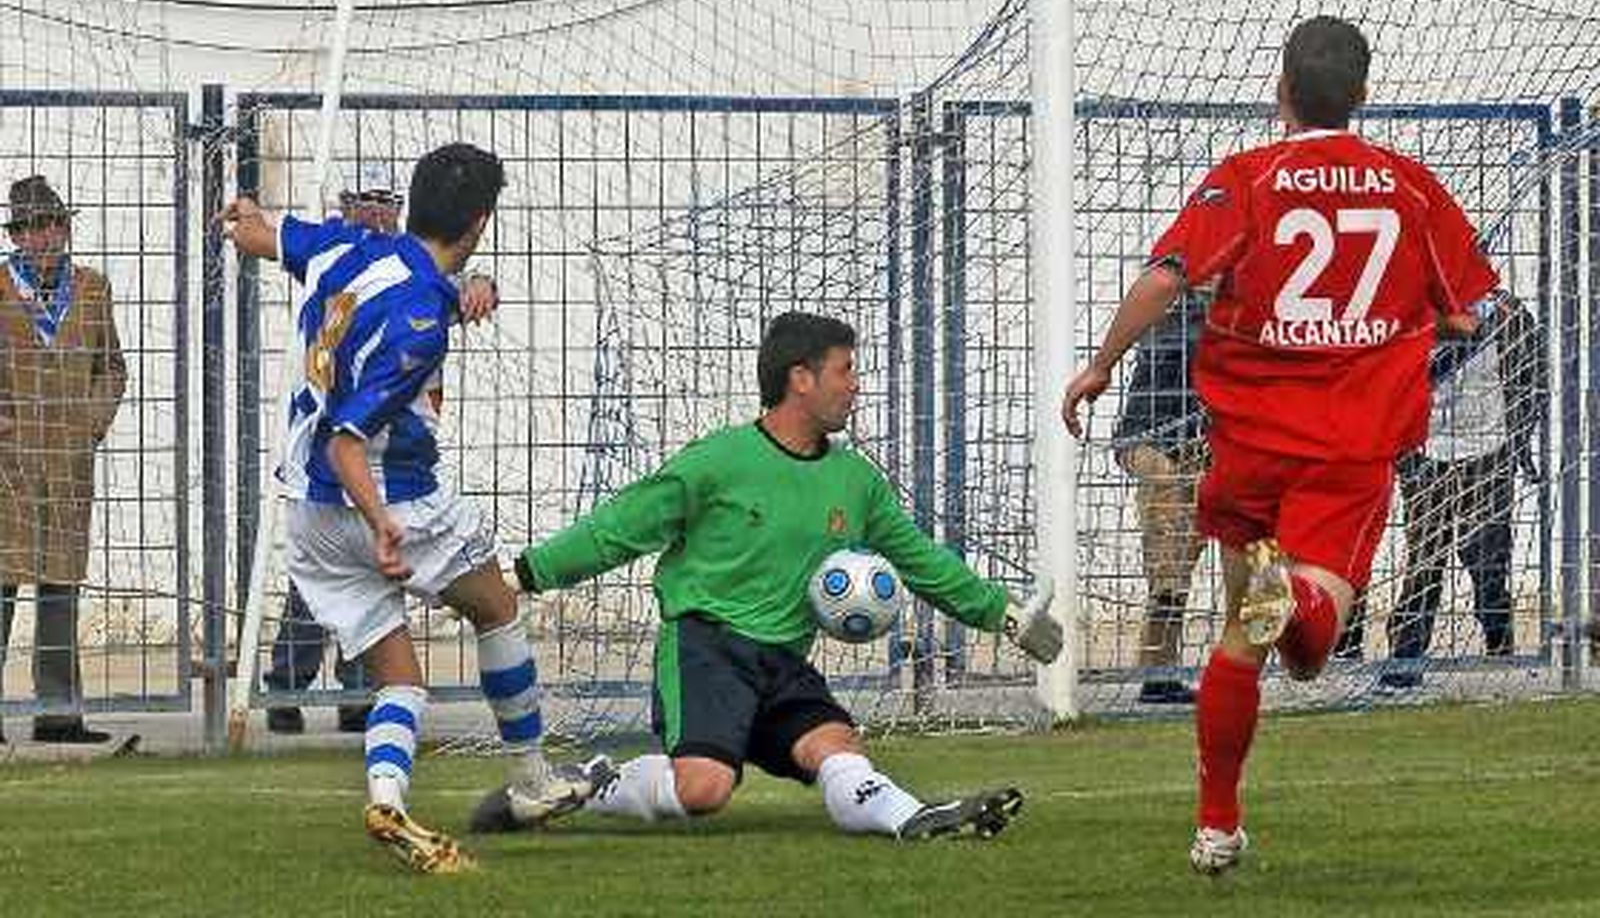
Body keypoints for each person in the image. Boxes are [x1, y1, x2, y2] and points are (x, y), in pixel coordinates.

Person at [1061, 17, 1499, 874]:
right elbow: (1464, 312)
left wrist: (1099, 367)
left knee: (1243, 637)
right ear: (1364, 95)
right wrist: (1403, 318)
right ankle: (1299, 595)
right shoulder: (1411, 188)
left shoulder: (1249, 179)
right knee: (1309, 642)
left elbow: (1165, 278)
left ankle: (1217, 825)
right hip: (1348, 447)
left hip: (1253, 442)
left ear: (1281, 93)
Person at [473, 311, 1063, 841]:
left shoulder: (856, 482)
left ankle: (911, 818)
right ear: (800, 378)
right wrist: (524, 575)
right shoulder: (718, 462)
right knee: (704, 791)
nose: (855, 384)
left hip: (783, 662)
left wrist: (1002, 613)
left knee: (839, 751)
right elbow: (620, 527)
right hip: (707, 648)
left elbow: (922, 562)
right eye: (845, 370)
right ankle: (599, 782)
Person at [221, 143, 591, 874]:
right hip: (389, 499)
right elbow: (347, 442)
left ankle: (387, 796)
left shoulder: (346, 247)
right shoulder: (420, 321)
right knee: (496, 609)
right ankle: (531, 782)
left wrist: (242, 215)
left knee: (400, 680)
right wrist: (383, 523)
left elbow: (260, 235)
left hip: (306, 513)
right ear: (480, 221)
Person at [263, 165, 500, 736]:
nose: (371, 210)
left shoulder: (395, 267)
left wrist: (483, 283)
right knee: (493, 606)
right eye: (360, 201)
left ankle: (357, 704)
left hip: (341, 481)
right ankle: (286, 688)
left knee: (366, 615)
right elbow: (347, 441)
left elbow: (455, 281)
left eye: (381, 201)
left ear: (402, 207)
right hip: (358, 476)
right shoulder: (349, 253)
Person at [0, 174, 127, 745]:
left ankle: (58, 712)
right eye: (30, 228)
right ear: (16, 236)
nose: (44, 236)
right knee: (1, 583)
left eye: (52, 224)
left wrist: (91, 425)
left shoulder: (93, 288)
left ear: (66, 228)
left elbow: (113, 367)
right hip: (8, 462)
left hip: (70, 460)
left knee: (60, 585)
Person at [1379, 290, 1544, 689]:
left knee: (1487, 559)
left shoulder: (1506, 312)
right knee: (1425, 555)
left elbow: (1532, 377)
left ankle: (1498, 638)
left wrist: (1518, 443)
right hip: (1426, 450)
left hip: (1488, 448)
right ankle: (1406, 655)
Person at [1111, 288, 1209, 705]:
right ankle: (1157, 670)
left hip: (1202, 433)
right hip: (1148, 431)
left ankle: (1162, 669)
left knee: (1186, 551)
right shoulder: (1165, 294)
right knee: (1169, 535)